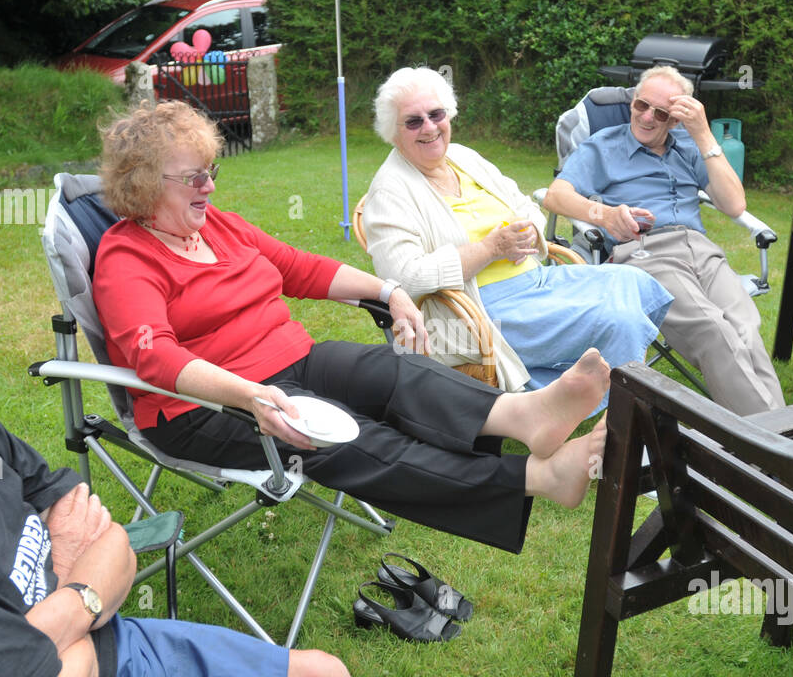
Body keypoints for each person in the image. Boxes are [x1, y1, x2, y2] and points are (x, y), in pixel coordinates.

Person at [0, 215, 680, 677]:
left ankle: (523, 427)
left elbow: (100, 530)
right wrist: (85, 590)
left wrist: (60, 609)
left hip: (98, 649)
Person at [91, 101, 607, 555]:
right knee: (352, 439)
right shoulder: (126, 257)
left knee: (393, 372)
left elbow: (297, 267)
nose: (209, 186)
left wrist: (388, 291)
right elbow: (154, 356)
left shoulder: (219, 225)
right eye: (193, 178)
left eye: (211, 171)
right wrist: (251, 396)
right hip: (204, 407)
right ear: (142, 186)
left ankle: (526, 414)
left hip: (290, 359)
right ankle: (541, 477)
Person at [362, 67, 672, 405]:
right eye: (413, 121)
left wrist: (527, 234)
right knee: (617, 318)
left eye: (436, 114)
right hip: (482, 310)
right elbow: (404, 279)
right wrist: (490, 248)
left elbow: (526, 206)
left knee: (632, 280)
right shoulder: (390, 191)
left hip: (537, 280)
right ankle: (618, 417)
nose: (430, 127)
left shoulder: (463, 158)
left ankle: (591, 388)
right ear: (392, 131)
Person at [542, 65, 787, 416]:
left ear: (674, 120)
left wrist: (703, 135)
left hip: (702, 251)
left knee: (745, 326)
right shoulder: (604, 146)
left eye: (660, 113)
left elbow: (734, 204)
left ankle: (778, 439)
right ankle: (778, 445)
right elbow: (555, 195)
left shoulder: (690, 145)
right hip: (645, 253)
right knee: (712, 328)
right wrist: (606, 216)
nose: (646, 117)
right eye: (641, 105)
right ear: (632, 102)